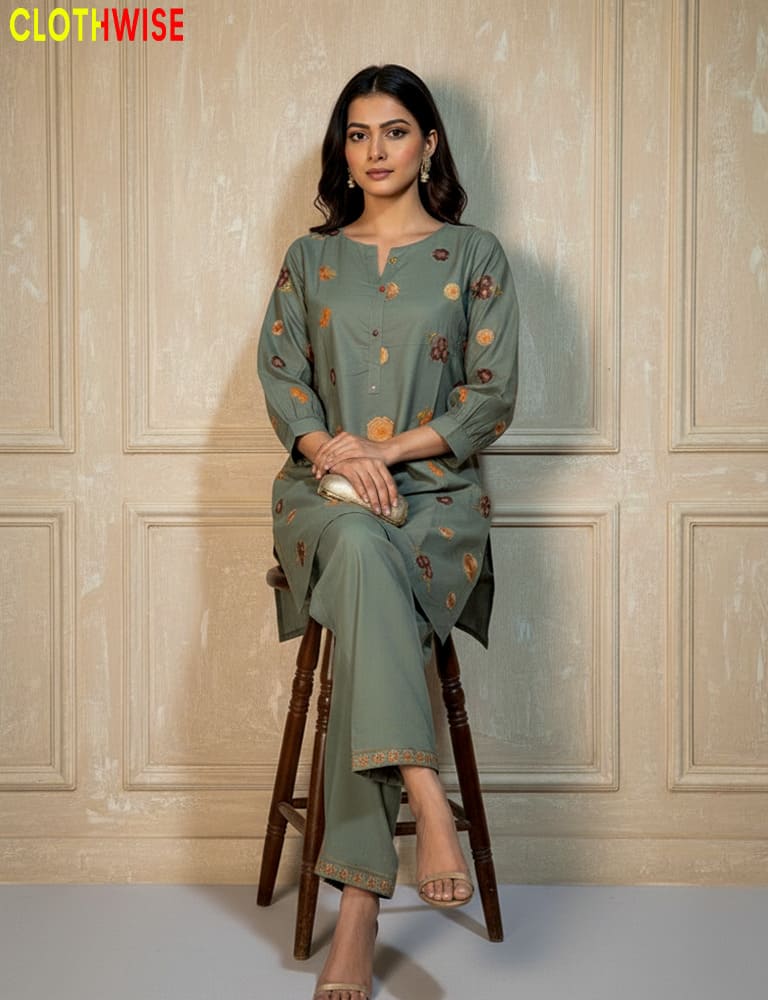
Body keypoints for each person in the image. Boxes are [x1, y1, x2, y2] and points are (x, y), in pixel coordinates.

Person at [257, 64, 519, 1000]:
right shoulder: (308, 259)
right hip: (320, 495)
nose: (375, 151)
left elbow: (492, 399)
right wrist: (337, 452)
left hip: (436, 504)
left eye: (395, 131)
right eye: (358, 134)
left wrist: (387, 454)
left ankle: (357, 918)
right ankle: (423, 795)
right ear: (344, 149)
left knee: (374, 575)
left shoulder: (476, 256)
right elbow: (282, 374)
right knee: (360, 546)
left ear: (430, 143)